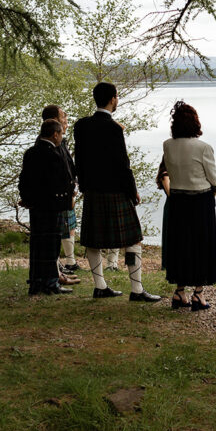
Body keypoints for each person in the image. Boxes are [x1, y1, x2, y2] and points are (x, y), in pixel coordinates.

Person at [73, 82, 160, 302]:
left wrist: (83, 186)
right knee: (133, 240)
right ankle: (137, 290)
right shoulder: (114, 129)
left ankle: (100, 286)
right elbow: (123, 164)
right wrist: (133, 192)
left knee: (93, 241)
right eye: (117, 97)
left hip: (92, 191)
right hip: (115, 192)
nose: (117, 100)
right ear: (113, 99)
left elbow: (79, 160)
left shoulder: (80, 126)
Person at [161, 101, 216, 310]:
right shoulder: (203, 147)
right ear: (195, 122)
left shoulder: (167, 145)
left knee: (181, 246)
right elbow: (215, 180)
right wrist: (215, 190)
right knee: (200, 246)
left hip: (177, 201)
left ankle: (179, 292)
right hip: (199, 202)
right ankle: (198, 294)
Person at [18, 118, 75, 295]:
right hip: (52, 207)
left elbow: (23, 181)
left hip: (36, 207)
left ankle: (36, 283)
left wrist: (26, 199)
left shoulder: (31, 152)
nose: (61, 138)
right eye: (61, 134)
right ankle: (51, 283)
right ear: (55, 134)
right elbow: (62, 181)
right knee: (51, 245)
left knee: (37, 245)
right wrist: (68, 199)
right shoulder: (54, 154)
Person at [42, 104, 80, 275]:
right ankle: (58, 265)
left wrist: (74, 184)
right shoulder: (51, 142)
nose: (66, 121)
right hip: (57, 195)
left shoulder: (60, 140)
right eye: (63, 117)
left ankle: (69, 262)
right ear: (54, 120)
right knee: (58, 229)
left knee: (68, 225)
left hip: (66, 191)